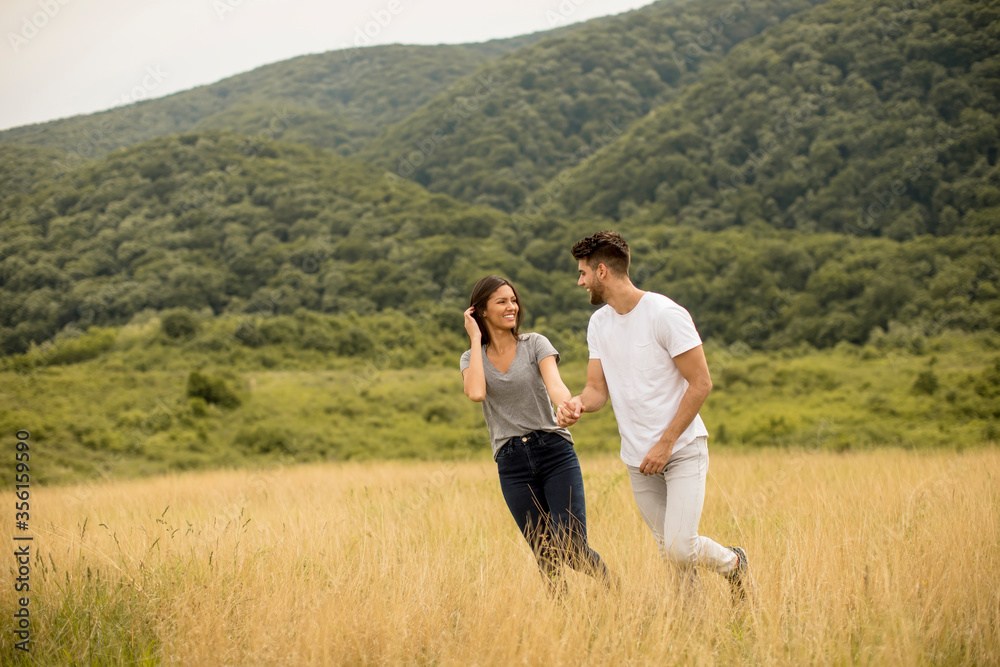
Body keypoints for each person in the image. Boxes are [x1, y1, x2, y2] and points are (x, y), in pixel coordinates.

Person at [556, 231, 751, 603]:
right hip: (637, 459)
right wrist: (579, 403)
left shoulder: (665, 314)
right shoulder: (598, 324)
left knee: (680, 547)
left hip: (681, 450)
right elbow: (597, 389)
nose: (579, 282)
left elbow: (701, 383)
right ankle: (691, 633)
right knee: (671, 555)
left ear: (601, 271)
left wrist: (666, 443)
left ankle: (735, 564)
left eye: (582, 273)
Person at [460, 274, 613, 593]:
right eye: (501, 301)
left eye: (513, 300)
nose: (511, 306)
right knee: (545, 555)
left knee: (571, 545)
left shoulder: (534, 344)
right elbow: (476, 392)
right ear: (481, 311)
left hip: (553, 451)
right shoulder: (471, 358)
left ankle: (612, 590)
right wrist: (475, 339)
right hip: (512, 463)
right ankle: (567, 622)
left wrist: (566, 406)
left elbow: (555, 384)